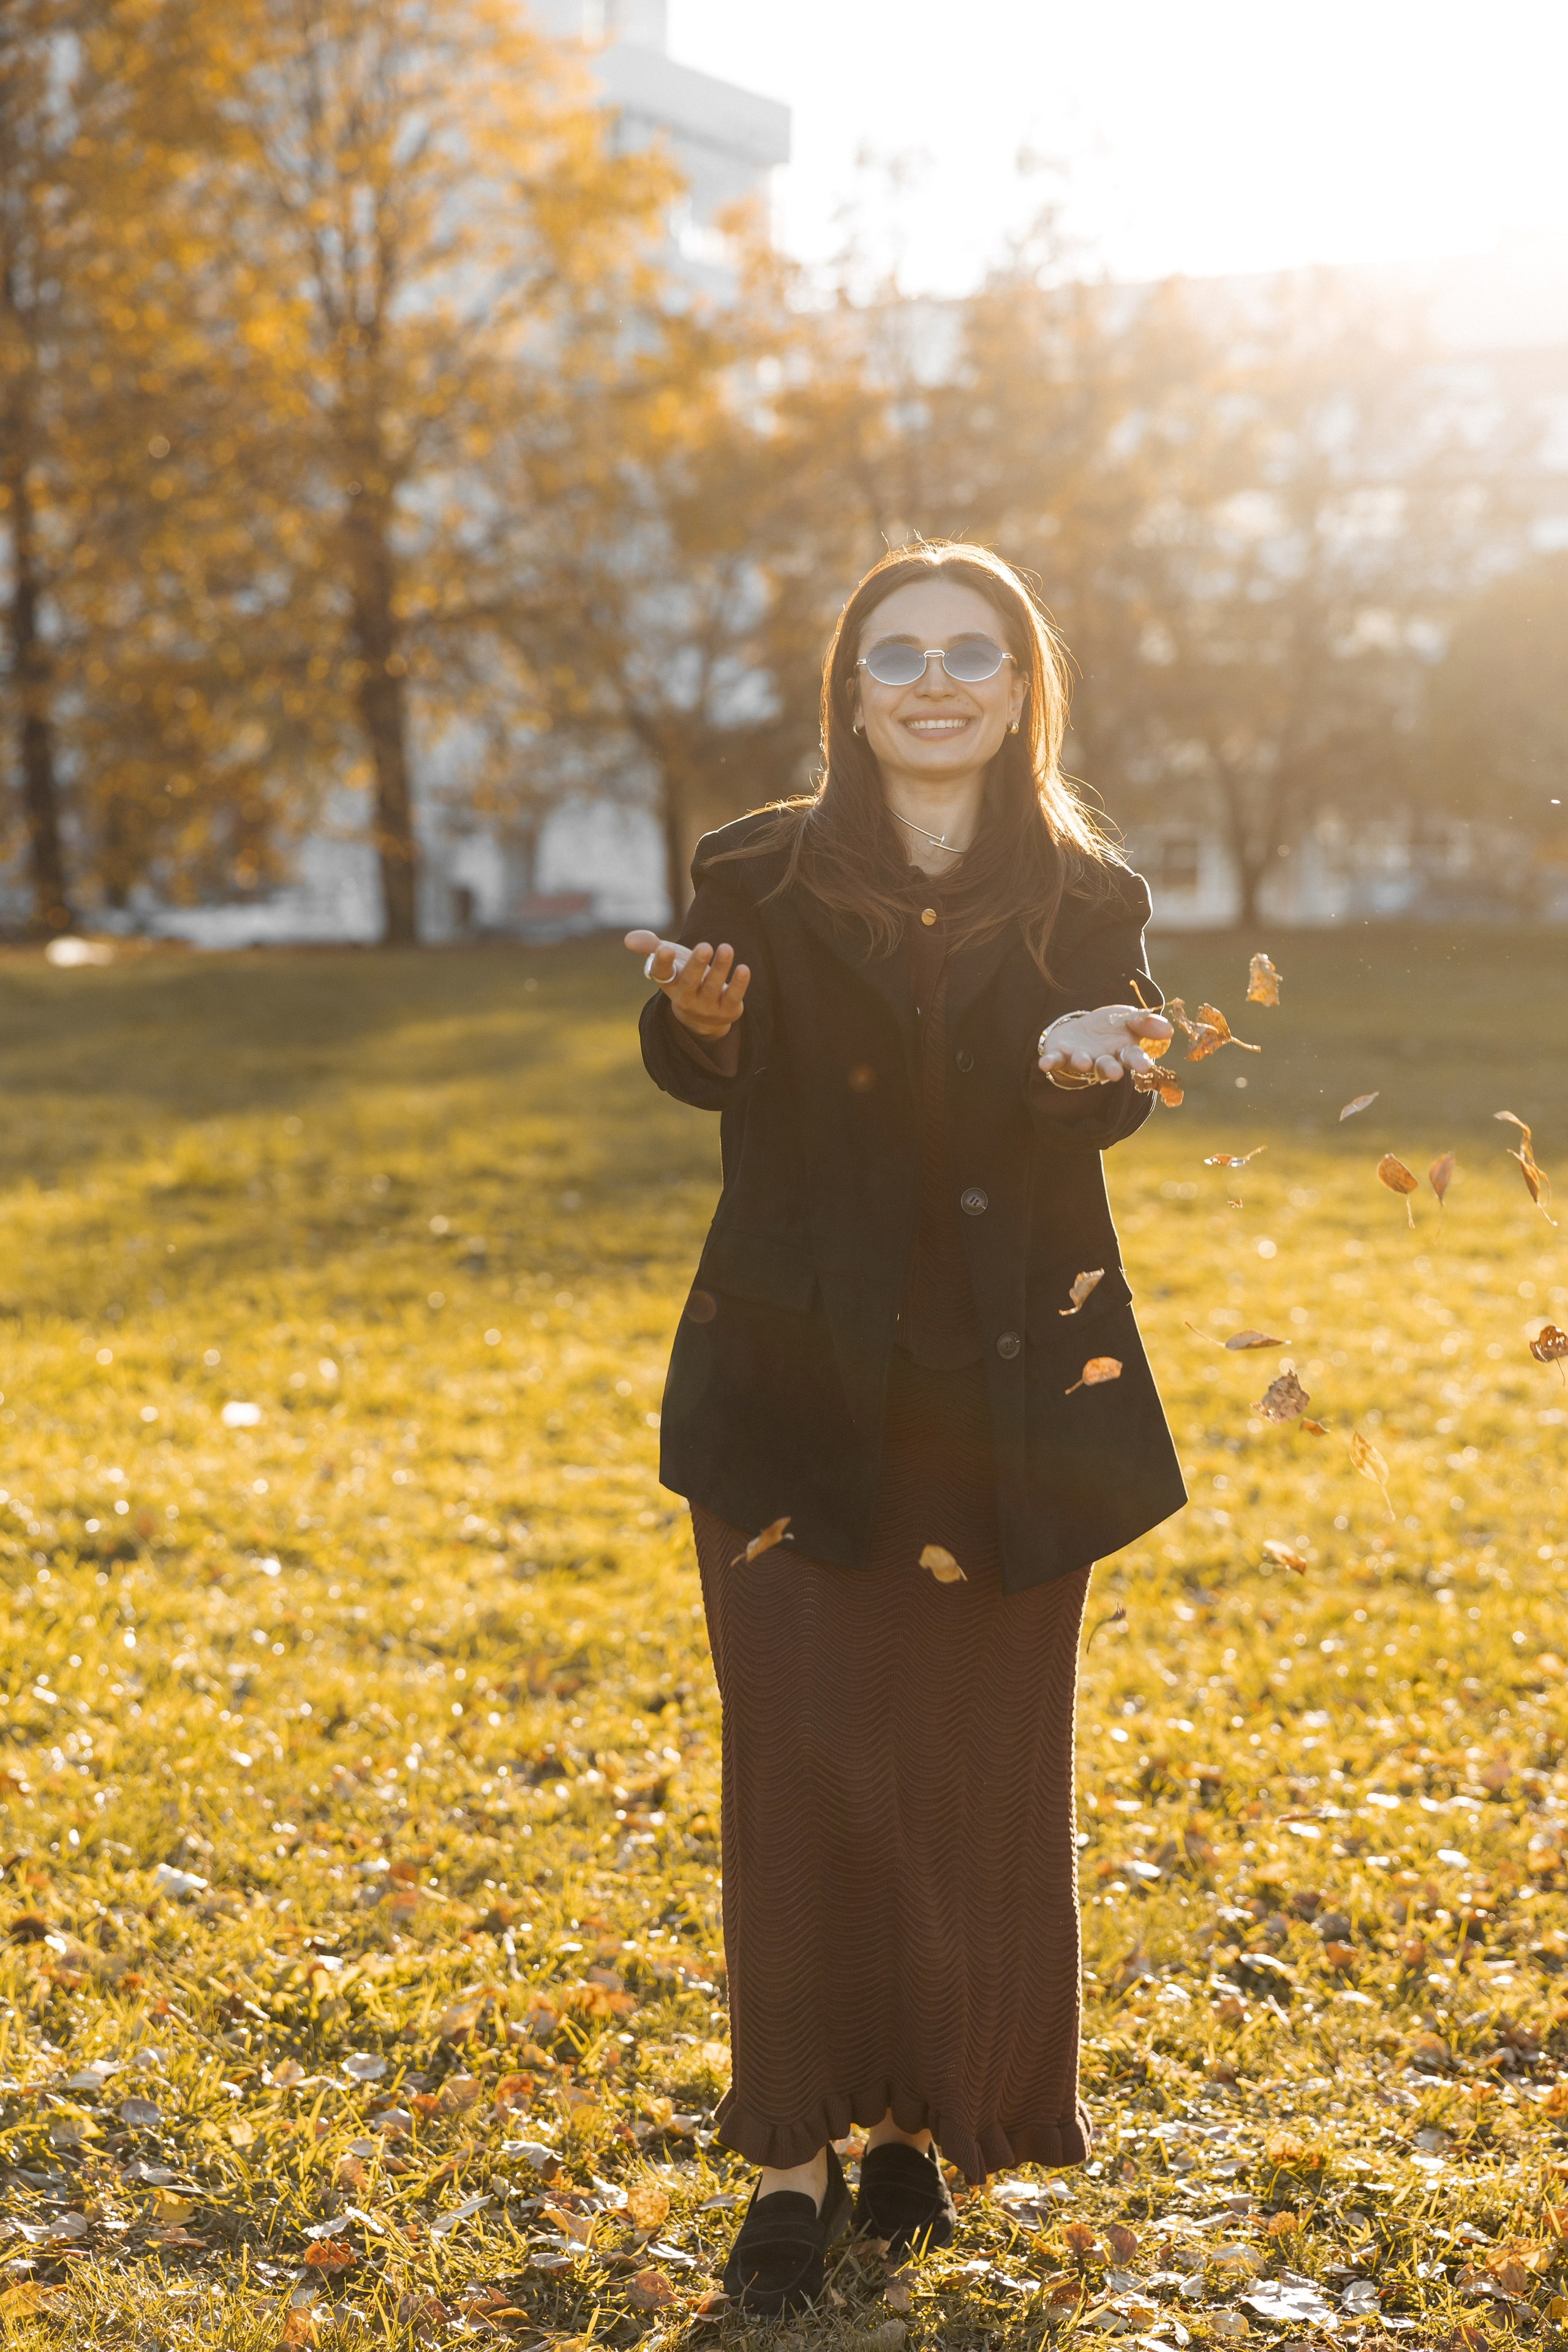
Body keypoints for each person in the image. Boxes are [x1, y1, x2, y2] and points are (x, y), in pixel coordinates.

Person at [625, 541, 1186, 2315]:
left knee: (960, 1776)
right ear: (850, 694)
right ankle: (790, 2159)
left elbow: (1107, 1095)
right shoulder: (759, 870)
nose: (935, 678)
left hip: (1011, 1391)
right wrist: (694, 1019)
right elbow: (706, 1044)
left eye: (971, 651)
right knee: (803, 1766)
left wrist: (1111, 1062)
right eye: (899, 654)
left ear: (1024, 689)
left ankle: (913, 2133)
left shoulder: (1090, 891)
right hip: (794, 1386)